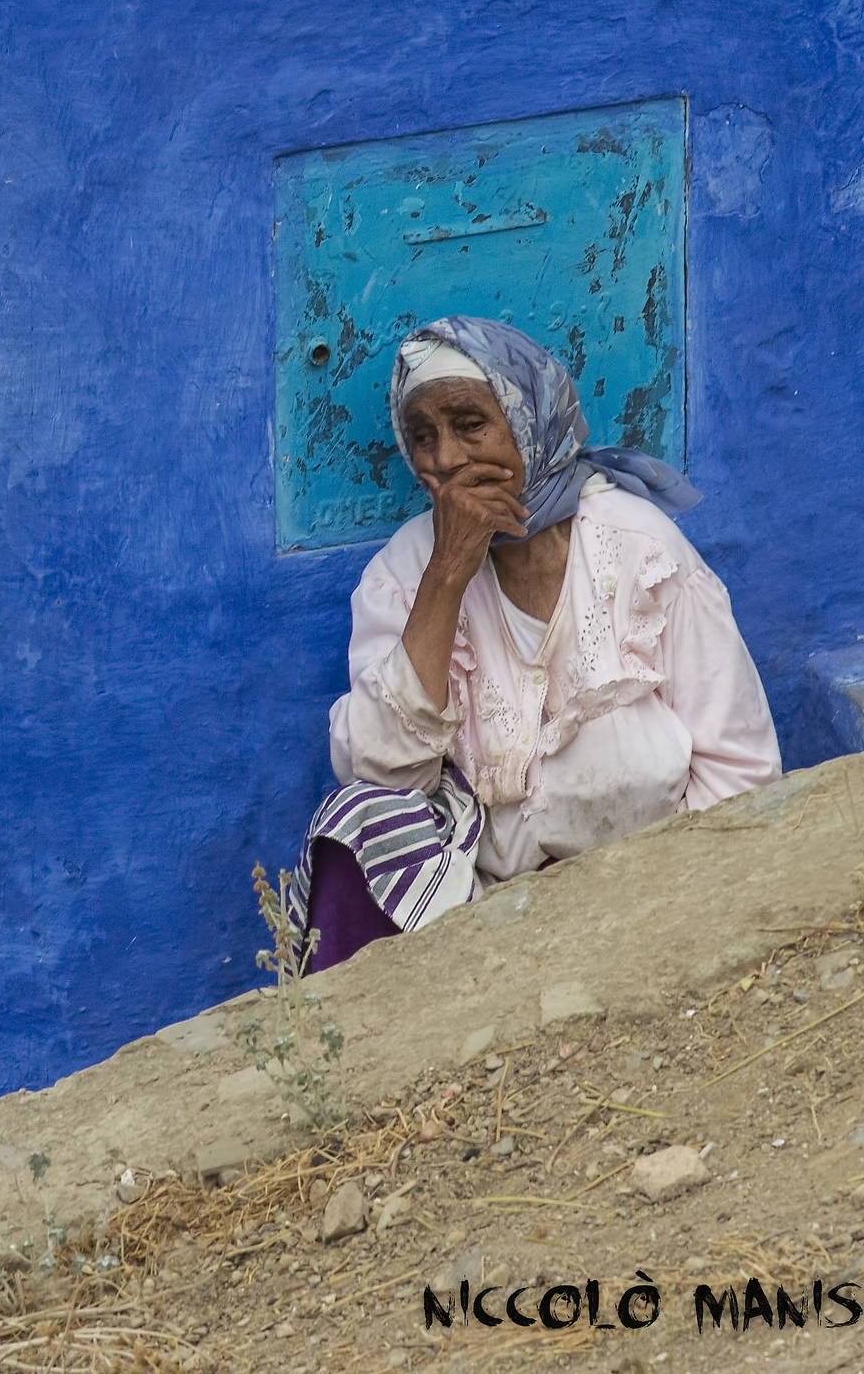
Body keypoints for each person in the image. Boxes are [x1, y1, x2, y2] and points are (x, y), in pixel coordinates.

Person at [286, 316, 781, 974]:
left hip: (651, 883)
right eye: (423, 437)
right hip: (490, 909)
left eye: (469, 425)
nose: (446, 459)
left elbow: (740, 766)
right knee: (354, 823)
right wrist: (447, 576)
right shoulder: (404, 573)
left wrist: (671, 900)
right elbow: (384, 775)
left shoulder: (639, 547)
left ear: (530, 421)